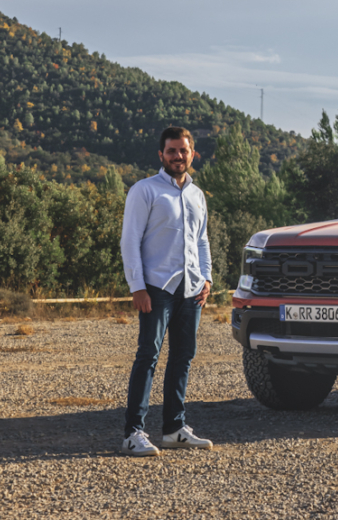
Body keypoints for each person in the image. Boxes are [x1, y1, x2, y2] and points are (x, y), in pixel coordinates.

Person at [119, 126, 213, 456]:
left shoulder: (197, 195)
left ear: (192, 154)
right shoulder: (144, 191)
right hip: (156, 288)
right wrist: (137, 287)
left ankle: (174, 429)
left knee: (183, 357)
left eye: (183, 151)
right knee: (148, 356)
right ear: (161, 155)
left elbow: (201, 240)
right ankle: (133, 433)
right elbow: (129, 240)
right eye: (171, 151)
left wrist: (208, 278)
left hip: (191, 290)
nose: (178, 156)